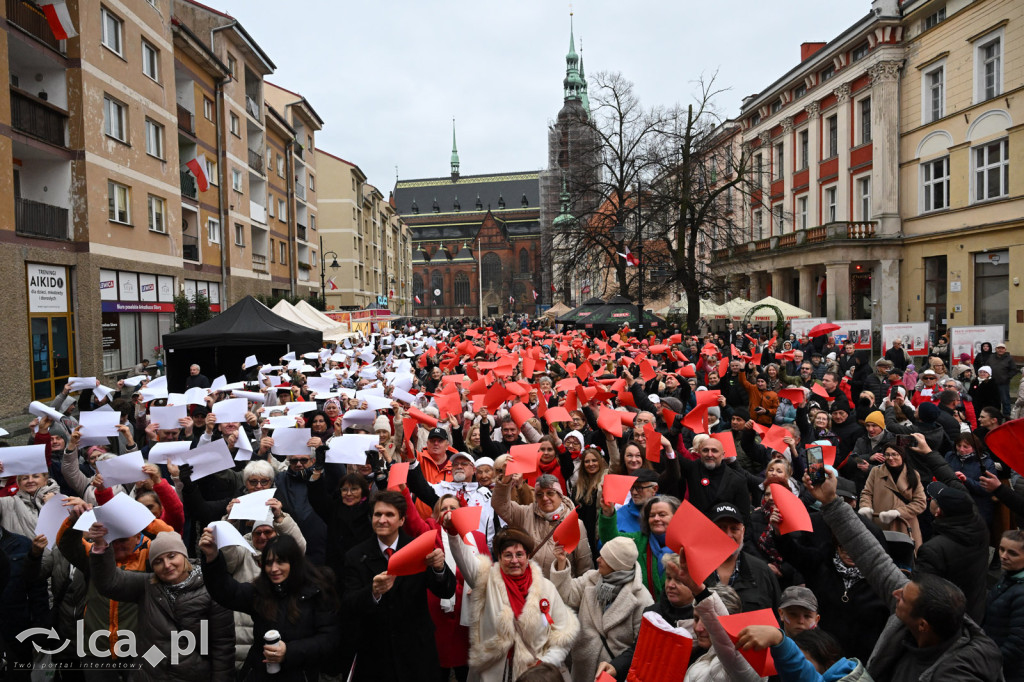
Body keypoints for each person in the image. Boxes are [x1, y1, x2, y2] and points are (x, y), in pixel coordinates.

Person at [805, 467, 1003, 681]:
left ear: (922, 625)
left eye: (903, 598)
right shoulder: (921, 610)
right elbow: (872, 558)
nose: (896, 593)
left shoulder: (956, 673)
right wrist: (832, 503)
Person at [88, 528, 234, 681]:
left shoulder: (212, 589)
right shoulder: (147, 585)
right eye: (158, 561)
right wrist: (101, 545)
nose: (167, 564)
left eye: (172, 556)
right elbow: (110, 583)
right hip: (149, 675)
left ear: (184, 555)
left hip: (191, 676)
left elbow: (222, 647)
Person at [339, 490, 456, 681]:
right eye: (377, 514)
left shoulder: (418, 548)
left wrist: (439, 568)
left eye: (389, 514)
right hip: (376, 654)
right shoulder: (355, 556)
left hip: (416, 652)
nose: (382, 520)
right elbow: (348, 603)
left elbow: (446, 590)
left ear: (402, 520)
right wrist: (373, 592)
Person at [442, 524, 579, 681]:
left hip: (534, 675)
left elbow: (563, 634)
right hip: (493, 673)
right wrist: (453, 533)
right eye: (508, 555)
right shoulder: (486, 581)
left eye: (519, 554)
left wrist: (544, 663)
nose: (514, 561)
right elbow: (463, 558)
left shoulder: (546, 588)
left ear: (528, 556)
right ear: (499, 557)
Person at [200, 531, 340, 681]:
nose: (274, 569)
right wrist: (212, 558)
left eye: (280, 562)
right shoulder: (261, 591)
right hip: (259, 674)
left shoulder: (316, 592)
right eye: (268, 562)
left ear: (295, 563)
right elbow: (227, 592)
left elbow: (328, 640)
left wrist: (289, 652)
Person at [550, 536, 653, 682]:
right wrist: (561, 562)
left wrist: (619, 666)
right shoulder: (591, 578)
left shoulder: (642, 599)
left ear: (616, 564)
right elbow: (566, 595)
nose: (598, 559)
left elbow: (641, 646)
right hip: (582, 666)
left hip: (612, 672)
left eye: (604, 557)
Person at [915, 481, 990, 624]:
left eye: (934, 500)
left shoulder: (933, 549)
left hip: (946, 621)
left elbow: (924, 592)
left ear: (938, 512)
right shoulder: (980, 527)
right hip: (975, 611)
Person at [491, 473, 592, 577]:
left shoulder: (574, 523)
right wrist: (505, 482)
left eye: (550, 493)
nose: (545, 498)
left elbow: (584, 565)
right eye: (539, 494)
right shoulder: (525, 514)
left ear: (560, 496)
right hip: (529, 587)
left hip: (559, 589)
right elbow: (500, 505)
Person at [858, 443, 927, 547]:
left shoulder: (913, 474)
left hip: (904, 525)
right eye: (887, 454)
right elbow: (867, 493)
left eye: (895, 454)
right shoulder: (876, 471)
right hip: (880, 524)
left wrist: (898, 512)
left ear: (902, 455)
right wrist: (865, 507)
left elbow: (920, 503)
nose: (890, 458)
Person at [983, 529, 1024, 682]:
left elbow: (1018, 644)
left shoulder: (1020, 592)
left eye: (1012, 553)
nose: (1003, 556)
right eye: (1001, 549)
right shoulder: (1010, 576)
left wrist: (989, 663)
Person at [989, 342, 1018, 417]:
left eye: (1002, 348)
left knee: (1005, 400)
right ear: (996, 349)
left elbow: (1014, 370)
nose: (1000, 350)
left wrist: (1007, 377)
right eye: (999, 348)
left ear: (1005, 350)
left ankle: (1007, 415)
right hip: (992, 383)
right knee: (994, 400)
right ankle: (995, 415)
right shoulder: (991, 357)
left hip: (1003, 383)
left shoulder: (1009, 358)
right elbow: (987, 367)